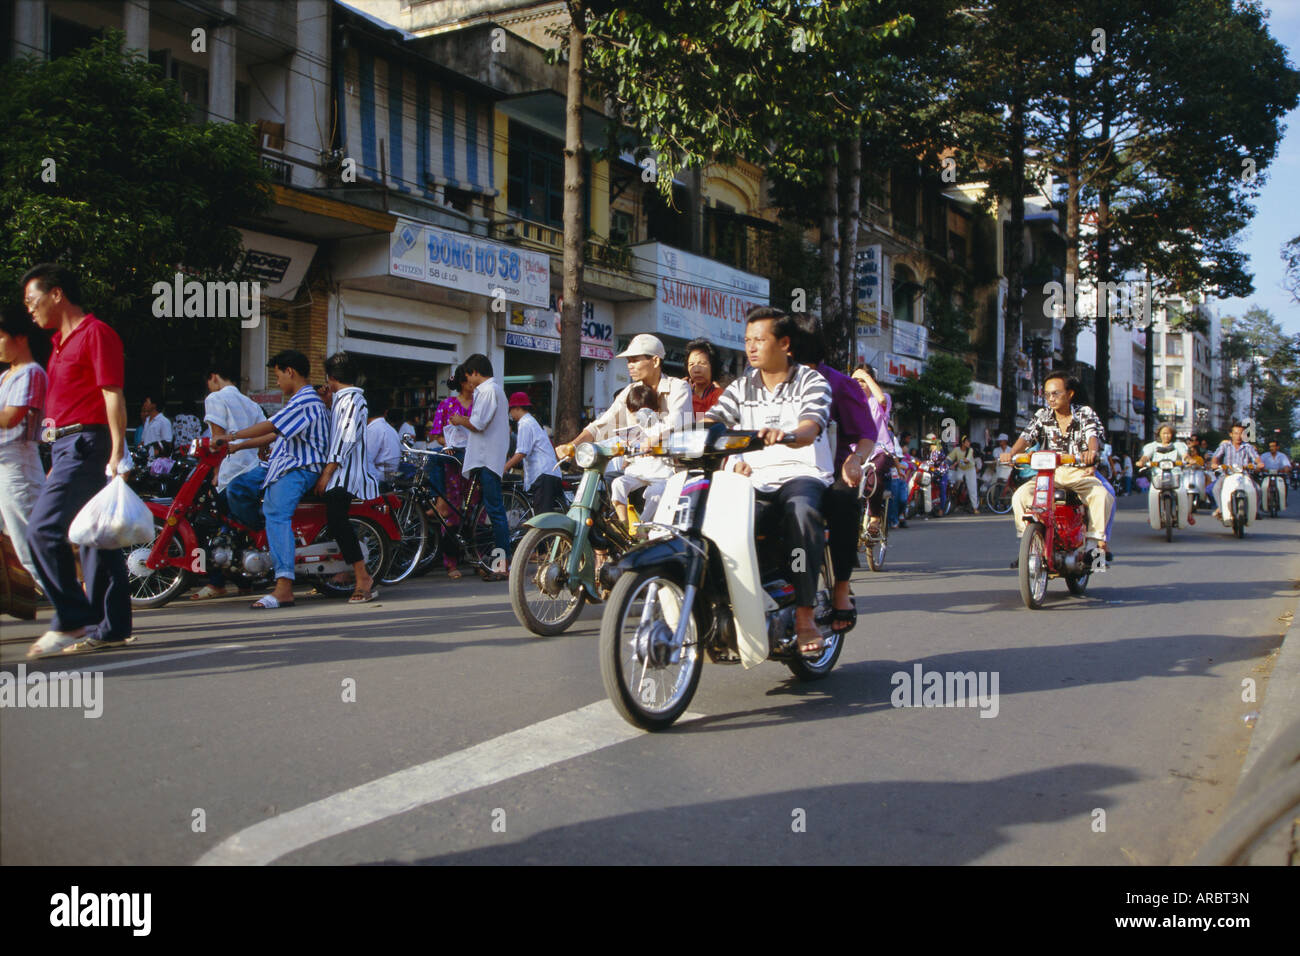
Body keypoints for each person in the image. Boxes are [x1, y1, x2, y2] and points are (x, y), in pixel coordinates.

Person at [701, 307, 833, 656]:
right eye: (747, 341)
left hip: (800, 472)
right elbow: (712, 422)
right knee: (715, 520)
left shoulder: (811, 381)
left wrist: (788, 433)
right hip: (755, 478)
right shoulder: (742, 387)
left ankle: (805, 615)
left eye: (759, 340)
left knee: (801, 514)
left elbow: (811, 425)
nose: (751, 347)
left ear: (785, 344)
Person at [22, 264, 134, 658]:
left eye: (32, 300)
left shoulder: (96, 333)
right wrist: (56, 455)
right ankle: (113, 627)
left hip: (89, 441)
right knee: (94, 537)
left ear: (56, 293)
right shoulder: (58, 343)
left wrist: (117, 450)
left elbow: (112, 394)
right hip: (67, 445)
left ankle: (71, 618)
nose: (29, 310)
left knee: (43, 529)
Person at [219, 350, 330, 609]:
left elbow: (271, 427)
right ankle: (266, 539)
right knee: (235, 489)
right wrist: (237, 446)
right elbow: (275, 434)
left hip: (299, 468)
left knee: (277, 514)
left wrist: (232, 436)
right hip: (277, 465)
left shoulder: (306, 402)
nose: (277, 381)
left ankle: (284, 586)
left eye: (278, 375)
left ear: (289, 371)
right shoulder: (297, 402)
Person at [791, 316, 876, 634]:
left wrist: (854, 461)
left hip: (829, 473)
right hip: (777, 473)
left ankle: (841, 586)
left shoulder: (841, 385)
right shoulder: (762, 384)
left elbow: (866, 436)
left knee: (843, 501)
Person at [1001, 370, 1114, 566]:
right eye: (1047, 394)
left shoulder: (1084, 413)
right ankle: (1029, 546)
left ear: (1070, 394)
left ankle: (1094, 548)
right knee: (1020, 496)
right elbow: (1026, 437)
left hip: (1079, 472)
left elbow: (1092, 436)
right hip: (1048, 474)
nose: (1050, 399)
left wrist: (1091, 452)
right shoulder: (1042, 415)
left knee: (1103, 495)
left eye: (1056, 393)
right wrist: (1011, 454)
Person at [189, 365, 267, 601]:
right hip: (252, 471)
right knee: (237, 529)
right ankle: (244, 582)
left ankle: (216, 583)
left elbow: (218, 439)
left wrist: (215, 472)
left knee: (207, 527)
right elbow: (264, 438)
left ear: (213, 376)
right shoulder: (251, 403)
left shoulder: (215, 397)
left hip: (229, 472)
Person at [555, 333, 692, 461]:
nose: (629, 366)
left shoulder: (678, 388)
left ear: (655, 361)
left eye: (634, 361)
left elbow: (676, 424)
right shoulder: (629, 391)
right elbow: (602, 425)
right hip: (636, 466)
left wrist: (653, 439)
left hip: (671, 465)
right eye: (628, 361)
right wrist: (573, 445)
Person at [314, 352, 379, 603]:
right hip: (338, 471)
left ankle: (362, 576)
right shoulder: (340, 400)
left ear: (330, 378)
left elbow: (345, 438)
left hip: (345, 474)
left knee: (337, 521)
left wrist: (327, 473)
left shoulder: (353, 399)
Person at [450, 353, 512, 580]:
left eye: (468, 375)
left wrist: (458, 420)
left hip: (487, 459)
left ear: (475, 372)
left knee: (495, 512)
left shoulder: (488, 391)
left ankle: (501, 565)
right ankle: (491, 561)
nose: (468, 381)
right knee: (488, 511)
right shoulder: (491, 391)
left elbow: (477, 424)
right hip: (487, 458)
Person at [0, 305, 49, 585]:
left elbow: (11, 417)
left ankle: (79, 615)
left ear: (20, 338)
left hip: (17, 466)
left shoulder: (30, 373)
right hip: (4, 466)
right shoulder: (5, 376)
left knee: (31, 549)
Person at [607, 384, 675, 529]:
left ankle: (642, 527)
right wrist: (627, 451)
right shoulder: (634, 430)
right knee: (618, 483)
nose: (638, 416)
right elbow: (630, 455)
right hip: (638, 472)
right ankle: (623, 524)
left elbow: (671, 435)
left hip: (660, 474)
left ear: (655, 410)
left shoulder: (662, 428)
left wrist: (655, 441)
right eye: (633, 412)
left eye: (642, 412)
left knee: (655, 493)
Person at [428, 368, 474, 579]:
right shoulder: (446, 405)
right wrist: (450, 445)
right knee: (452, 513)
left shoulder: (480, 405)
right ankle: (450, 562)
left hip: (474, 462)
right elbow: (437, 435)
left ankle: (477, 557)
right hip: (453, 465)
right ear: (463, 382)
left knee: (476, 512)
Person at [851, 364, 901, 531]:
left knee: (875, 471)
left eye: (863, 380)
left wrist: (866, 377)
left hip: (880, 450)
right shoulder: (850, 402)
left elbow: (881, 400)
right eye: (856, 380)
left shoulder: (880, 398)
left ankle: (874, 518)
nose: (860, 383)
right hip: (855, 451)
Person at [505, 391, 564, 518]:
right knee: (543, 515)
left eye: (510, 410)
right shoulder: (532, 421)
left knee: (542, 519)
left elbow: (521, 452)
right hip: (548, 473)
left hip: (543, 473)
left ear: (517, 408)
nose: (510, 414)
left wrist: (505, 467)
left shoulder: (525, 423)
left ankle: (545, 538)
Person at [1136, 423, 1194, 528]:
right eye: (1164, 433)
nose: (1166, 436)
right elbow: (1145, 456)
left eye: (1169, 433)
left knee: (1181, 493)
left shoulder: (1178, 445)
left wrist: (1189, 459)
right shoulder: (1152, 446)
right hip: (1157, 476)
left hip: (1175, 475)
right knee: (1153, 494)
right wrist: (1141, 461)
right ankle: (1154, 517)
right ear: (1159, 434)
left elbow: (1185, 455)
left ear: (1173, 435)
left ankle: (1184, 516)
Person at [1209, 422, 1262, 519]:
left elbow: (1257, 459)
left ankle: (1255, 511)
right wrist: (1214, 464)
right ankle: (1221, 510)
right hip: (1227, 475)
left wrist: (1259, 464)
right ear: (1231, 434)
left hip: (1245, 475)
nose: (1239, 436)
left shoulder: (1248, 447)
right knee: (1216, 489)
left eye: (1242, 433)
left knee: (1258, 489)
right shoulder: (1225, 446)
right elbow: (1215, 457)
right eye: (1236, 433)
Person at [364, 388, 401, 488]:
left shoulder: (374, 429)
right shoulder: (389, 429)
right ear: (386, 412)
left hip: (379, 481)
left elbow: (366, 458)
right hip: (388, 479)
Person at [684, 336, 723, 419]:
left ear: (713, 366)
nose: (696, 370)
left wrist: (690, 397)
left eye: (702, 363)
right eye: (691, 364)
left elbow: (702, 423)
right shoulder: (682, 391)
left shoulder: (720, 395)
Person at [947, 434, 981, 514]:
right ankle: (956, 495)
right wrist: (945, 462)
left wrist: (956, 463)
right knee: (957, 479)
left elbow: (967, 460)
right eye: (967, 442)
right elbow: (949, 458)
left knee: (972, 488)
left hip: (970, 469)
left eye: (969, 442)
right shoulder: (956, 450)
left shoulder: (970, 450)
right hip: (961, 469)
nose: (968, 443)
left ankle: (975, 508)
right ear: (963, 443)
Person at [138, 396, 173, 460]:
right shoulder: (147, 421)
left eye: (147, 402)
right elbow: (144, 441)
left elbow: (168, 444)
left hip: (159, 463)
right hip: (148, 460)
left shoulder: (164, 421)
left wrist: (156, 452)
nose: (144, 404)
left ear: (154, 405)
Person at [924, 433, 950, 515]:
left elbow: (933, 461)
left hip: (941, 473)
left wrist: (925, 463)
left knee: (942, 490)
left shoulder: (937, 450)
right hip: (932, 472)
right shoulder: (930, 451)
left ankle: (941, 509)